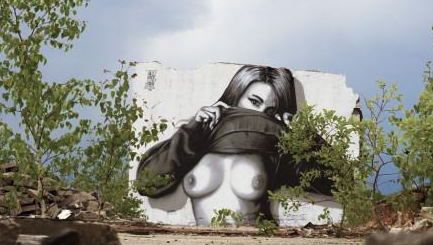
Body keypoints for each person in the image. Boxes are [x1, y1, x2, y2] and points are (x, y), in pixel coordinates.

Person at [136, 65, 331, 225]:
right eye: (254, 102)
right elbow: (148, 183)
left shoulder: (277, 150)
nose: (259, 115)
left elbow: (334, 181)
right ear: (234, 97)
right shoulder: (199, 137)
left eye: (270, 112)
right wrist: (193, 129)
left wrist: (306, 138)